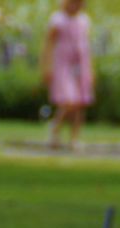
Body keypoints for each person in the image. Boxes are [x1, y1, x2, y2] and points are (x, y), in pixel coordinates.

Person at [41, 0, 94, 150]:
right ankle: (55, 128)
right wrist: (46, 66)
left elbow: (86, 45)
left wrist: (91, 70)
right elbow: (49, 44)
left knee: (80, 103)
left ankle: (74, 139)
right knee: (69, 100)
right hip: (63, 64)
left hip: (80, 64)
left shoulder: (84, 20)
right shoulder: (58, 20)